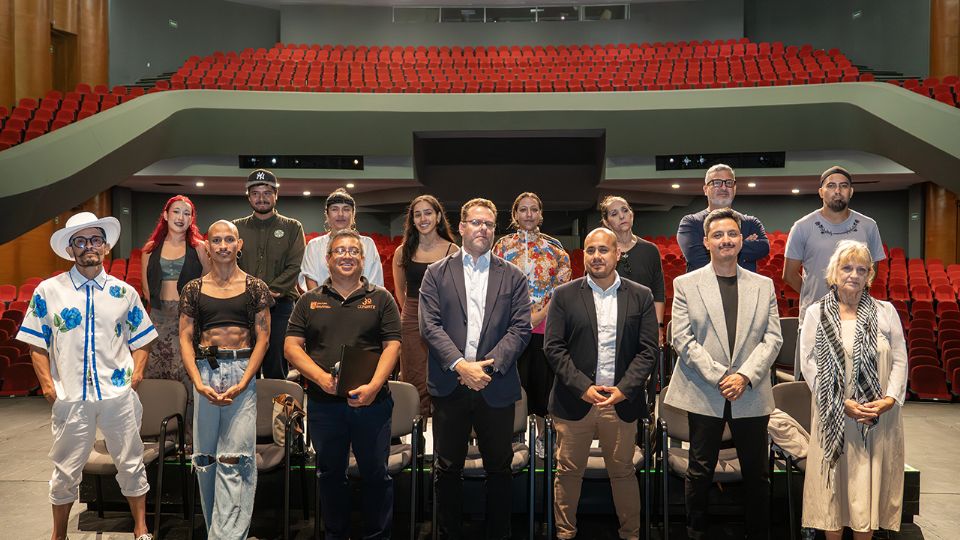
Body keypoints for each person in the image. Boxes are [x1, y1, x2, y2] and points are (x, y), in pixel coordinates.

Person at [17, 211, 158, 540]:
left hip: (117, 395)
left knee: (131, 461)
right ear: (70, 250)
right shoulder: (48, 291)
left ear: (105, 247)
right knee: (65, 468)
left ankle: (140, 529)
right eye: (80, 241)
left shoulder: (124, 292)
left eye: (95, 239)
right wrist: (49, 387)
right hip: (71, 396)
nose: (88, 246)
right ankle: (58, 535)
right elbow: (36, 344)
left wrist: (136, 376)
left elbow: (143, 338)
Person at [664, 208, 782, 540]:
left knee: (757, 473)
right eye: (718, 235)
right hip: (704, 389)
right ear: (706, 242)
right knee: (700, 470)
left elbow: (773, 338)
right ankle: (696, 532)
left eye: (732, 234)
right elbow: (682, 338)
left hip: (750, 390)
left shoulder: (763, 285)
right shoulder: (686, 284)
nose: (725, 240)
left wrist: (743, 376)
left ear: (741, 240)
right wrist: (720, 376)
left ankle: (757, 533)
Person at [418, 198, 532, 540]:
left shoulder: (513, 276)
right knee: (447, 468)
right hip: (450, 383)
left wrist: (486, 369)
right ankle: (448, 533)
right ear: (462, 227)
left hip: (495, 385)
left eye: (489, 224)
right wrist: (460, 366)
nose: (483, 228)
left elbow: (520, 329)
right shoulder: (436, 273)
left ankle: (498, 533)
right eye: (476, 222)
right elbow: (430, 326)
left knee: (499, 468)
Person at [285, 229, 402, 540]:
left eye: (353, 251)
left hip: (373, 404)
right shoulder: (309, 301)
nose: (347, 256)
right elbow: (292, 348)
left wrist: (374, 387)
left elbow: (392, 346)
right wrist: (321, 379)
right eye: (340, 251)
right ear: (328, 259)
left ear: (363, 259)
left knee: (376, 475)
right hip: (325, 405)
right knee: (330, 476)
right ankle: (336, 534)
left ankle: (377, 535)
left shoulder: (381, 298)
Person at [543, 227, 658, 540]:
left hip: (619, 402)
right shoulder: (564, 295)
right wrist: (583, 387)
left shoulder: (641, 295)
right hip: (575, 400)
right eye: (590, 250)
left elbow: (648, 350)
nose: (596, 256)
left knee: (623, 472)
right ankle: (565, 534)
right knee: (568, 473)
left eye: (603, 250)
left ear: (617, 254)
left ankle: (631, 534)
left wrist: (624, 389)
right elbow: (553, 348)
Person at [799, 240, 907, 539]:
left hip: (877, 417)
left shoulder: (886, 312)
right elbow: (808, 362)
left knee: (868, 489)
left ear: (869, 275)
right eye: (847, 268)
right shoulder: (816, 313)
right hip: (834, 413)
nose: (854, 275)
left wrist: (889, 399)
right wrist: (839, 401)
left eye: (862, 269)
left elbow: (900, 359)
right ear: (834, 272)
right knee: (834, 490)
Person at [178, 220, 272, 539]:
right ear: (207, 246)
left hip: (242, 371)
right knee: (205, 459)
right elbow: (185, 336)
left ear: (239, 244)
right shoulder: (193, 289)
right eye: (216, 240)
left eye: (229, 240)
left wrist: (245, 381)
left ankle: (225, 536)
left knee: (236, 459)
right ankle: (219, 532)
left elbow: (263, 337)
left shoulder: (255, 287)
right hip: (205, 372)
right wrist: (197, 381)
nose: (222, 246)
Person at [784, 166, 886, 374]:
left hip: (857, 320)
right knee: (810, 387)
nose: (837, 191)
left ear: (851, 191)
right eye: (831, 186)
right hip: (816, 320)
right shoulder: (802, 227)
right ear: (821, 192)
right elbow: (789, 274)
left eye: (843, 186)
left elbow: (873, 271)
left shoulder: (868, 226)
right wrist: (819, 297)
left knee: (855, 386)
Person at [492, 192, 571, 455]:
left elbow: (562, 290)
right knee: (513, 387)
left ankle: (543, 438)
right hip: (509, 329)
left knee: (542, 389)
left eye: (534, 209)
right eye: (523, 209)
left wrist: (538, 316)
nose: (529, 214)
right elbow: (493, 286)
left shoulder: (555, 249)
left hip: (543, 328)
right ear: (515, 215)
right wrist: (519, 318)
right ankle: (513, 437)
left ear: (540, 214)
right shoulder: (502, 247)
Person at [141, 195, 209, 438]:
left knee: (188, 376)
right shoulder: (150, 249)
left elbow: (208, 284)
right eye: (176, 212)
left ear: (192, 219)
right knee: (155, 374)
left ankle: (188, 436)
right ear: (166, 215)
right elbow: (147, 290)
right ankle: (159, 433)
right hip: (158, 320)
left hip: (187, 319)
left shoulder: (199, 248)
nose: (181, 217)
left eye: (187, 213)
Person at [233, 168, 305, 379]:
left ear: (276, 195)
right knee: (246, 366)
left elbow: (295, 265)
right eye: (255, 193)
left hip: (280, 306)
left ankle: (278, 403)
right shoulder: (236, 227)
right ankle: (248, 403)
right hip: (244, 305)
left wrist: (270, 291)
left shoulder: (292, 227)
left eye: (267, 193)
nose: (261, 198)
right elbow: (229, 263)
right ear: (249, 197)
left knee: (276, 364)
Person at [392, 194, 458, 417]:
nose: (423, 219)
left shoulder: (453, 251)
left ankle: (442, 424)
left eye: (428, 213)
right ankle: (416, 426)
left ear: (438, 217)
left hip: (443, 318)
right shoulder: (402, 251)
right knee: (414, 373)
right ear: (412, 220)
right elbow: (400, 290)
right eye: (417, 215)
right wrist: (414, 313)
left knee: (443, 369)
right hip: (412, 316)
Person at [677, 164, 770, 273]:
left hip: (743, 283)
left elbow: (763, 248)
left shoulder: (751, 222)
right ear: (705, 189)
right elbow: (698, 260)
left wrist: (716, 249)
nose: (724, 188)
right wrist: (742, 245)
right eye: (716, 183)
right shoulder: (690, 223)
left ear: (734, 188)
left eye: (729, 183)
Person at [599, 195, 666, 341]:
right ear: (606, 222)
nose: (622, 216)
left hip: (645, 324)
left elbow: (658, 291)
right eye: (614, 214)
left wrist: (659, 326)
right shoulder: (601, 253)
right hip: (610, 327)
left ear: (632, 214)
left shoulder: (650, 250)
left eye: (625, 210)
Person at [300, 187, 384, 290]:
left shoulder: (368, 244)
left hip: (362, 299)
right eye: (334, 209)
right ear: (327, 215)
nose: (340, 214)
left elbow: (374, 283)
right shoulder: (314, 245)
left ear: (353, 214)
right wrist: (320, 300)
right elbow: (311, 282)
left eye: (346, 209)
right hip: (322, 299)